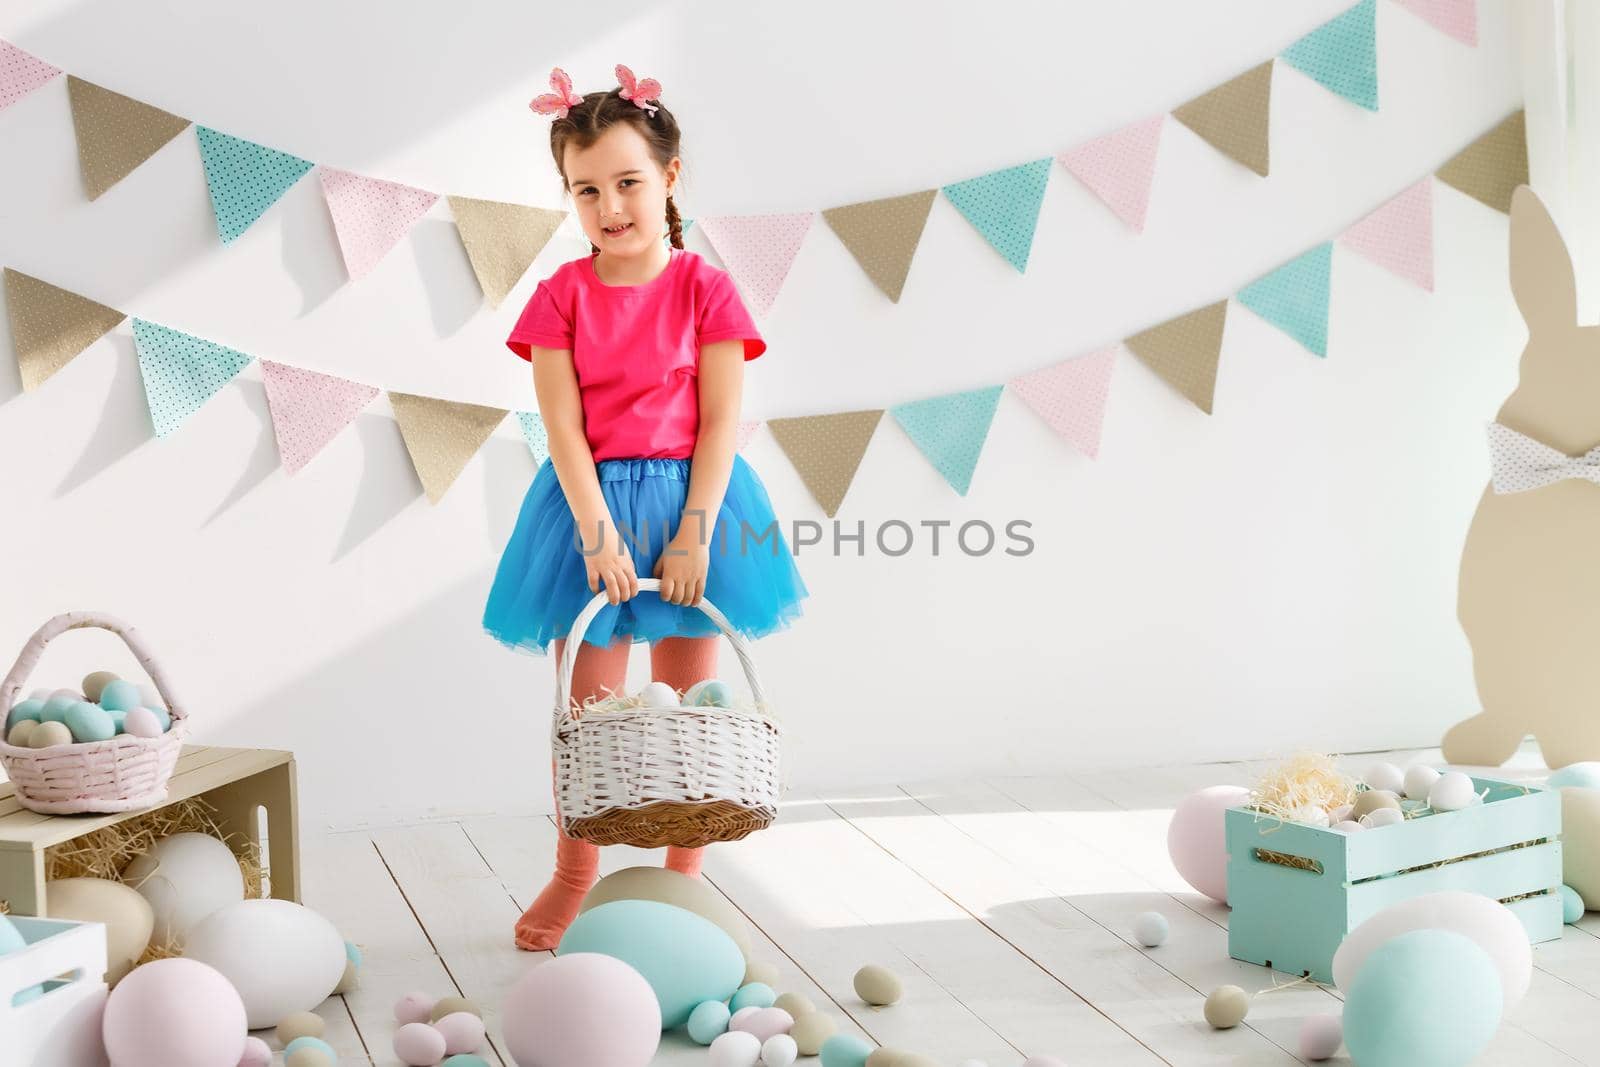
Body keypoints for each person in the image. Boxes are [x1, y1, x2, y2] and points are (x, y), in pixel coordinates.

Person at [483, 65, 809, 950]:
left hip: (690, 504)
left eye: (627, 182)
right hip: (587, 511)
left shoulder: (704, 289)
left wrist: (698, 530)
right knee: (585, 713)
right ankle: (574, 870)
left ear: (669, 179)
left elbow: (719, 424)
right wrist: (594, 532)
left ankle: (684, 877)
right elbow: (561, 429)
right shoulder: (562, 296)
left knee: (687, 703)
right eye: (586, 190)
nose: (609, 205)